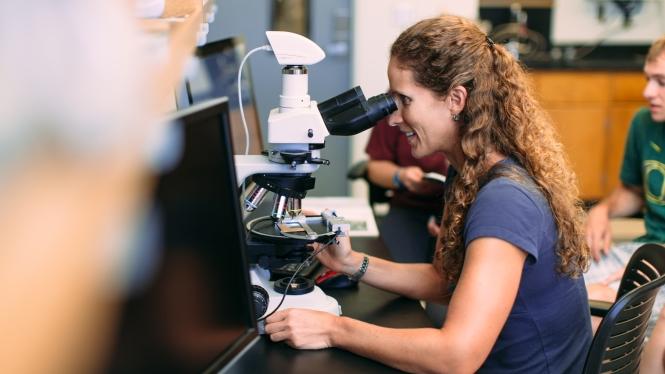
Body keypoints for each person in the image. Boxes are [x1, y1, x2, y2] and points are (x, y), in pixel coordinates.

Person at [264, 15, 592, 372]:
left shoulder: (504, 200)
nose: (393, 118)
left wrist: (333, 329)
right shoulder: (470, 169)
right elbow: (446, 281)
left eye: (404, 100)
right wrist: (351, 263)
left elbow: (456, 357)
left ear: (455, 100)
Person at [584, 35, 665, 333]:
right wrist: (602, 210)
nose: (648, 92)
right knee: (562, 283)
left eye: (661, 82)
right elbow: (633, 191)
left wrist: (647, 271)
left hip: (657, 262)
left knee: (605, 310)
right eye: (648, 79)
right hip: (648, 249)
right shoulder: (644, 123)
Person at [365, 117, 448, 263]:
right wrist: (400, 176)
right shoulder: (392, 117)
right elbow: (375, 166)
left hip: (458, 211)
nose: (395, 119)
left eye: (407, 100)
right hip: (408, 207)